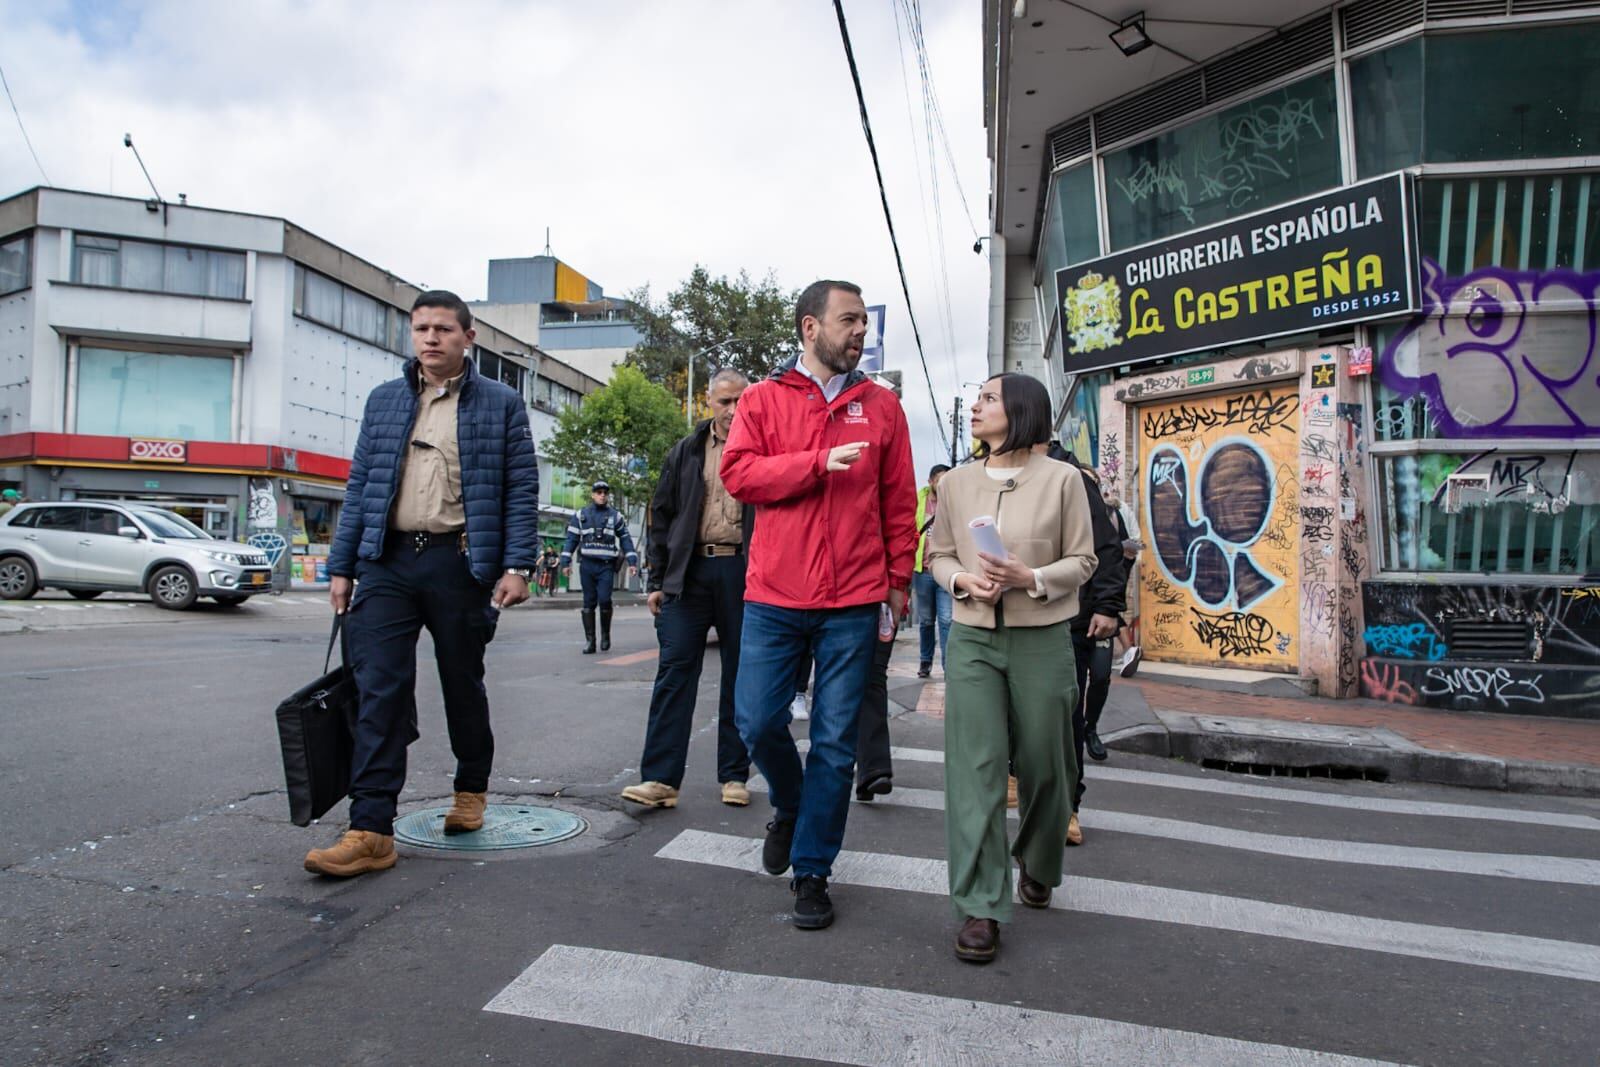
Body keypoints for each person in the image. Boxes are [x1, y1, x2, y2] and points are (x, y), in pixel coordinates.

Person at [306, 290, 538, 878]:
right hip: (386, 562)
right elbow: (361, 485)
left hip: (459, 562)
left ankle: (470, 789)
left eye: (442, 329)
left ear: (468, 337)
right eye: (421, 329)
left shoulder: (502, 404)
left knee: (462, 683)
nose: (430, 338)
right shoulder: (384, 401)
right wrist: (341, 566)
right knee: (379, 688)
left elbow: (520, 488)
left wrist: (518, 566)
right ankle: (371, 828)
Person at [721, 279, 917, 931]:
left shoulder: (883, 407)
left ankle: (812, 870)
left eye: (863, 321)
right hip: (774, 595)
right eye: (848, 320)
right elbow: (738, 474)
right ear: (811, 328)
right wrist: (815, 462)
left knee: (835, 742)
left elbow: (899, 502)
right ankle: (793, 799)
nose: (859, 331)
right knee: (755, 720)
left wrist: (899, 581)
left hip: (854, 601)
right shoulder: (761, 399)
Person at [926, 372, 1096, 963]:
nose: (976, 406)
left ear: (1021, 410)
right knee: (976, 771)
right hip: (973, 638)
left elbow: (1084, 558)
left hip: (1044, 638)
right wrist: (960, 578)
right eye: (976, 399)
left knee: (1049, 765)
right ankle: (980, 904)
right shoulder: (956, 483)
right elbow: (939, 553)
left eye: (989, 399)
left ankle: (1040, 859)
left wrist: (1034, 579)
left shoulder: (1063, 480)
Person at [621, 369, 754, 810]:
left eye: (740, 401)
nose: (733, 410)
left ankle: (734, 774)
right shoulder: (686, 452)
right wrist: (658, 580)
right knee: (675, 672)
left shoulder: (763, 448)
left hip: (744, 572)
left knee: (741, 676)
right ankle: (660, 779)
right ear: (708, 403)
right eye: (724, 402)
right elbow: (662, 514)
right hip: (689, 572)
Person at [1046, 443, 1127, 848]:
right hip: (1017, 620)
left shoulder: (1070, 477)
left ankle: (1067, 807)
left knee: (1065, 719)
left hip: (1072, 620)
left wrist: (1108, 607)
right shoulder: (999, 472)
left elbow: (1107, 548)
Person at [561, 481, 638, 653]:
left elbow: (625, 539)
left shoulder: (615, 516)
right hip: (587, 565)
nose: (602, 495)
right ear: (592, 494)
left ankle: (605, 635)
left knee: (604, 599)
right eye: (599, 492)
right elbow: (571, 540)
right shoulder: (581, 515)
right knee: (588, 602)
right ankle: (590, 641)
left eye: (605, 492)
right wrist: (565, 563)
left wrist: (633, 562)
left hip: (606, 566)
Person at [913, 465, 953, 677]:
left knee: (946, 620)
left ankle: (948, 667)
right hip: (923, 571)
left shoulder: (955, 502)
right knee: (926, 620)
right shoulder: (918, 501)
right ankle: (925, 661)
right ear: (931, 481)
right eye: (940, 480)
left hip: (946, 571)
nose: (944, 484)